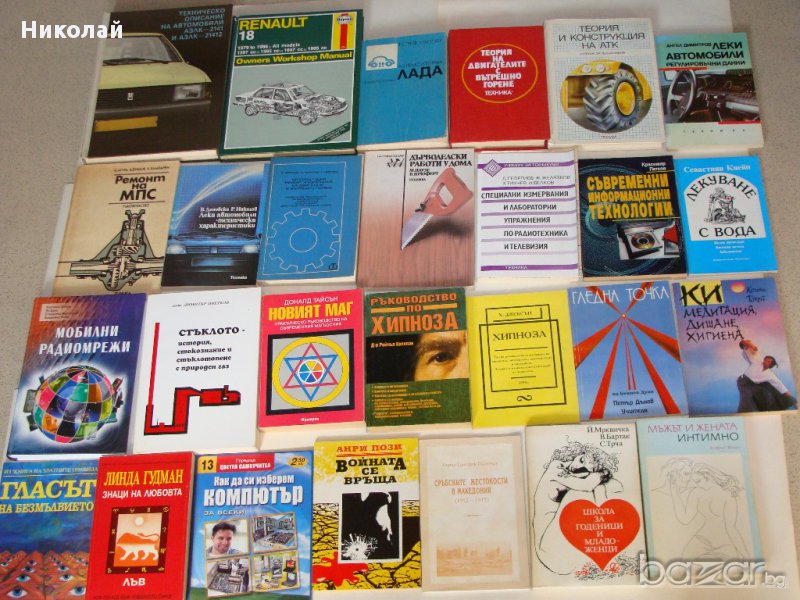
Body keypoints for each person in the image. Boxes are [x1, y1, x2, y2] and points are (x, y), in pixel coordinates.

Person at [533, 441, 622, 575]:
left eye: (585, 468)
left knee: (600, 488)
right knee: (580, 493)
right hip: (548, 549)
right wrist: (600, 474)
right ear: (579, 452)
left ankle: (604, 550)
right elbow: (586, 485)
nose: (577, 467)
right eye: (581, 460)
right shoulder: (556, 466)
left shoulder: (578, 477)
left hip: (569, 554)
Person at [736, 339, 796, 412]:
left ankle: (790, 403)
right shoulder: (757, 361)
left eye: (768, 361)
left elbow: (779, 384)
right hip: (743, 381)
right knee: (747, 396)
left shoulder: (770, 374)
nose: (766, 361)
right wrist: (748, 345)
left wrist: (789, 395)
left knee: (767, 393)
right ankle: (745, 411)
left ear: (771, 364)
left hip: (753, 385)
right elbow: (751, 352)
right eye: (766, 359)